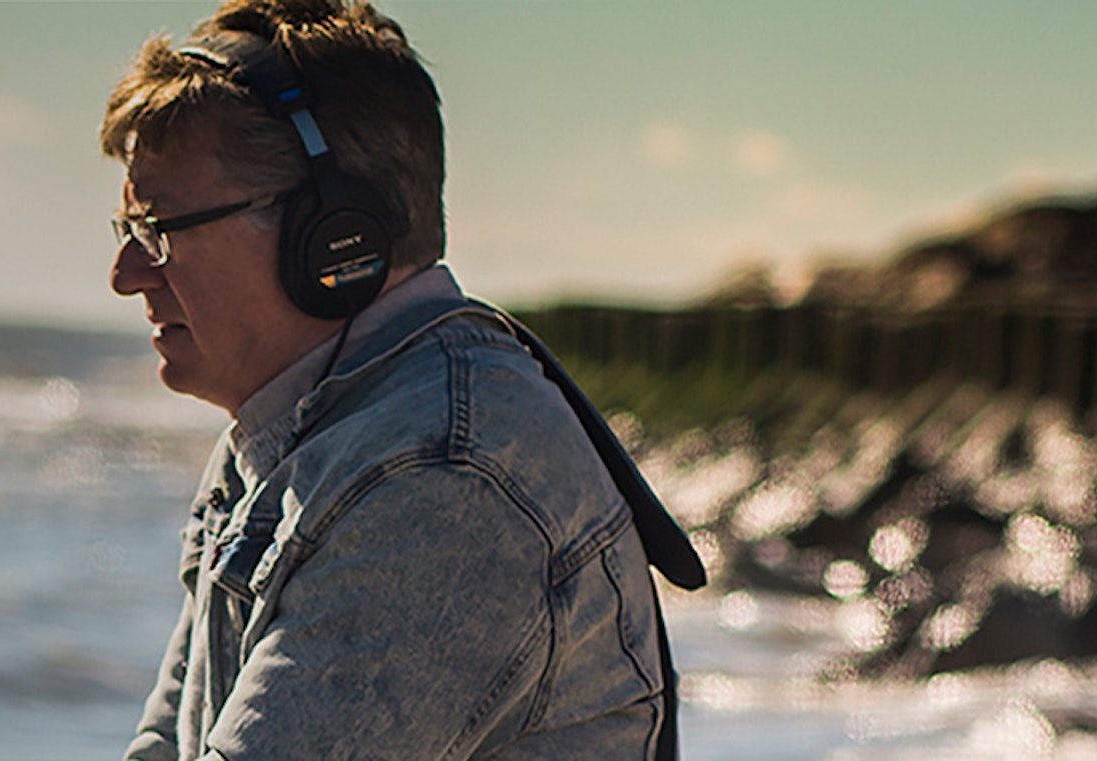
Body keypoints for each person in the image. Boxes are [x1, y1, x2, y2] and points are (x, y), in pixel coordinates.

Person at [100, 0, 700, 758]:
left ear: (332, 236)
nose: (125, 275)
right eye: (128, 232)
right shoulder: (289, 429)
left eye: (158, 230)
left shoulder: (443, 480)